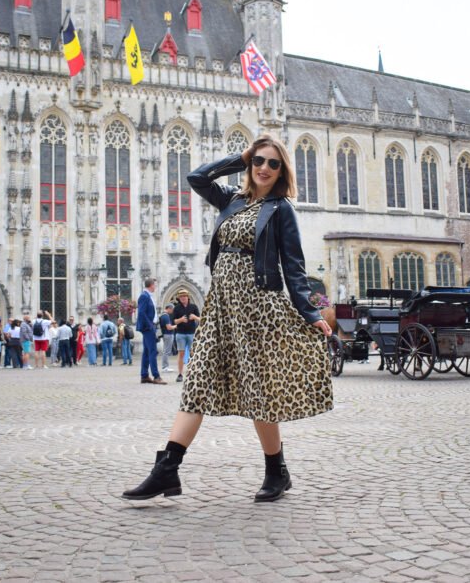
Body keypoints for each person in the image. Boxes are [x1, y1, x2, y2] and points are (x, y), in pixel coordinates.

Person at [123, 134, 333, 503]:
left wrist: (311, 313)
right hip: (220, 308)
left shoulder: (281, 209)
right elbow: (197, 178)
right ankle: (166, 471)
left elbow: (294, 269)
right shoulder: (233, 200)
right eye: (259, 161)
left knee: (259, 393)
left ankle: (276, 471)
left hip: (258, 309)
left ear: (282, 170)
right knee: (196, 384)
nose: (265, 168)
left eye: (273, 163)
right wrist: (240, 157)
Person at [136, 278, 165, 384]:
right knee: (153, 351)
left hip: (150, 326)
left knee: (147, 352)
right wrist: (150, 325)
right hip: (148, 328)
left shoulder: (148, 296)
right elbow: (141, 313)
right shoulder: (144, 296)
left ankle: (144, 375)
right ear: (151, 285)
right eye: (155, 285)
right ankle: (156, 376)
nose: (155, 287)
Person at [159, 303, 176, 374]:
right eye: (172, 309)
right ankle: (165, 367)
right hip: (168, 334)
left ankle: (165, 366)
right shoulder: (165, 316)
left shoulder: (163, 315)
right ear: (169, 308)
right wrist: (176, 326)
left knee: (166, 350)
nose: (172, 311)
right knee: (166, 351)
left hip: (166, 335)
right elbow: (169, 327)